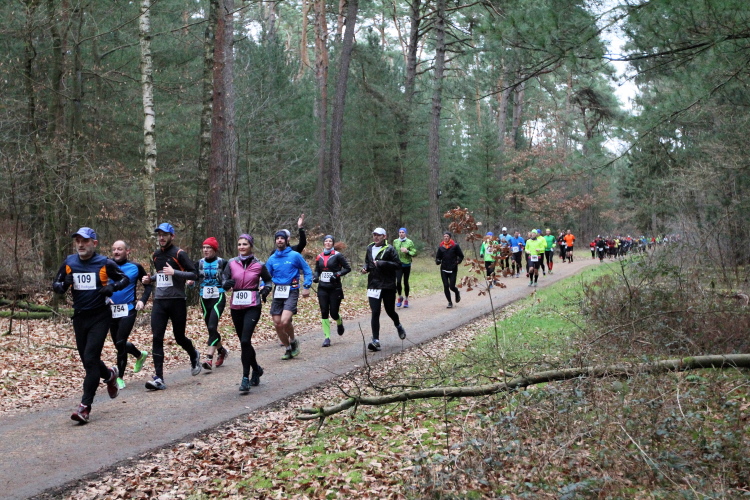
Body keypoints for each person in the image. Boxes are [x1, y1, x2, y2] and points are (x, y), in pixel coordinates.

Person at [53, 227, 129, 423]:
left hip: (100, 316)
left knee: (90, 358)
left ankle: (84, 407)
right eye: (78, 241)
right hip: (80, 317)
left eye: (85, 241)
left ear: (94, 243)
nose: (80, 244)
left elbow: (124, 279)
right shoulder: (69, 262)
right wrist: (64, 284)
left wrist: (112, 287)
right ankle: (109, 375)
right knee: (89, 361)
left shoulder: (104, 263)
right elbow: (56, 286)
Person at [141, 223, 201, 390]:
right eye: (159, 235)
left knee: (179, 337)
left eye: (165, 235)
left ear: (172, 236)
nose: (161, 238)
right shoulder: (156, 255)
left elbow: (194, 274)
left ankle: (193, 354)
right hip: (160, 301)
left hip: (177, 301)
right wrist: (150, 279)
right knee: (157, 337)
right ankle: (159, 378)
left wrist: (175, 272)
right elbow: (161, 275)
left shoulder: (179, 254)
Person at [221, 234, 272, 393]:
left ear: (250, 246)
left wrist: (266, 289)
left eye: (245, 244)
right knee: (245, 343)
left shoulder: (259, 265)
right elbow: (223, 279)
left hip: (253, 305)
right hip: (236, 306)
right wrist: (226, 284)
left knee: (244, 341)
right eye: (239, 244)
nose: (242, 247)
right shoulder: (231, 263)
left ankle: (245, 378)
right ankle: (256, 369)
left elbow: (268, 280)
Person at [108, 240, 151, 390]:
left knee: (120, 342)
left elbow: (148, 286)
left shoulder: (135, 267)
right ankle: (139, 355)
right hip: (111, 310)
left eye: (120, 249)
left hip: (129, 309)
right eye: (114, 249)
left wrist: (142, 300)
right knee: (118, 344)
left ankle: (119, 377)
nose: (116, 252)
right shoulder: (106, 266)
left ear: (127, 251)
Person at [266, 230, 312, 360]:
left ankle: (293, 340)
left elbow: (307, 270)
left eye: (282, 238)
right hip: (278, 291)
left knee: (285, 321)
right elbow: (266, 275)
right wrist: (263, 286)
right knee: (277, 323)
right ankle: (287, 348)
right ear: (275, 241)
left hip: (292, 290)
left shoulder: (295, 255)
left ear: (287, 240)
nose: (279, 240)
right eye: (277, 238)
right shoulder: (272, 258)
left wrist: (306, 286)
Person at [361, 227, 406, 351]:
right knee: (375, 312)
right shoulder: (369, 248)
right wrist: (365, 268)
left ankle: (398, 325)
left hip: (387, 285)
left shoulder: (390, 249)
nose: (376, 237)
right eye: (374, 235)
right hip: (374, 284)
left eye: (379, 235)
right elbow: (367, 262)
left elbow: (398, 265)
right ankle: (375, 341)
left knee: (390, 311)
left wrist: (383, 263)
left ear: (384, 236)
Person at [194, 237, 229, 371]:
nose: (205, 250)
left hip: (218, 297)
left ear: (214, 249)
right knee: (211, 329)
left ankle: (209, 358)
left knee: (212, 326)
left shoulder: (222, 262)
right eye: (204, 247)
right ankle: (221, 351)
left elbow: (228, 278)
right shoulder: (199, 263)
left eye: (208, 247)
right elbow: (194, 278)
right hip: (204, 298)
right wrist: (191, 283)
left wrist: (228, 285)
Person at [313, 235, 351, 346]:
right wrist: (315, 277)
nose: (328, 243)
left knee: (333, 313)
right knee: (324, 311)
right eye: (326, 241)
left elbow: (347, 268)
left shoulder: (338, 255)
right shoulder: (319, 256)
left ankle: (339, 321)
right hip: (322, 288)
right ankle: (327, 338)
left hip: (335, 288)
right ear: (323, 243)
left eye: (330, 241)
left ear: (333, 243)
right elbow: (317, 270)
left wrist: (337, 274)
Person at [435, 232, 464, 308]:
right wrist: (438, 261)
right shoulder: (441, 247)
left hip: (453, 269)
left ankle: (457, 292)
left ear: (450, 237)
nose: (446, 237)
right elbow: (438, 257)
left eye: (447, 236)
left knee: (451, 286)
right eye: (444, 236)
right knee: (446, 286)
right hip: (444, 269)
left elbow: (461, 256)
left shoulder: (455, 246)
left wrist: (458, 261)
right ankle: (449, 302)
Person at [393, 228, 417, 308]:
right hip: (398, 265)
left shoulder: (409, 242)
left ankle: (406, 299)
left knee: (405, 282)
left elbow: (414, 252)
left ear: (405, 233)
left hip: (406, 265)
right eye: (400, 232)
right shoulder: (395, 241)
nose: (401, 233)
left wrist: (407, 252)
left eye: (403, 232)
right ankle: (400, 297)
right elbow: (393, 251)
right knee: (398, 281)